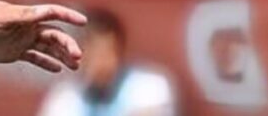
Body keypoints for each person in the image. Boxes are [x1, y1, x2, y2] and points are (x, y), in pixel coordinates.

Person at [37, 8, 177, 116]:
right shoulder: (64, 98)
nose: (102, 63)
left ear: (121, 53)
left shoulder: (149, 87)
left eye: (108, 53)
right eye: (95, 54)